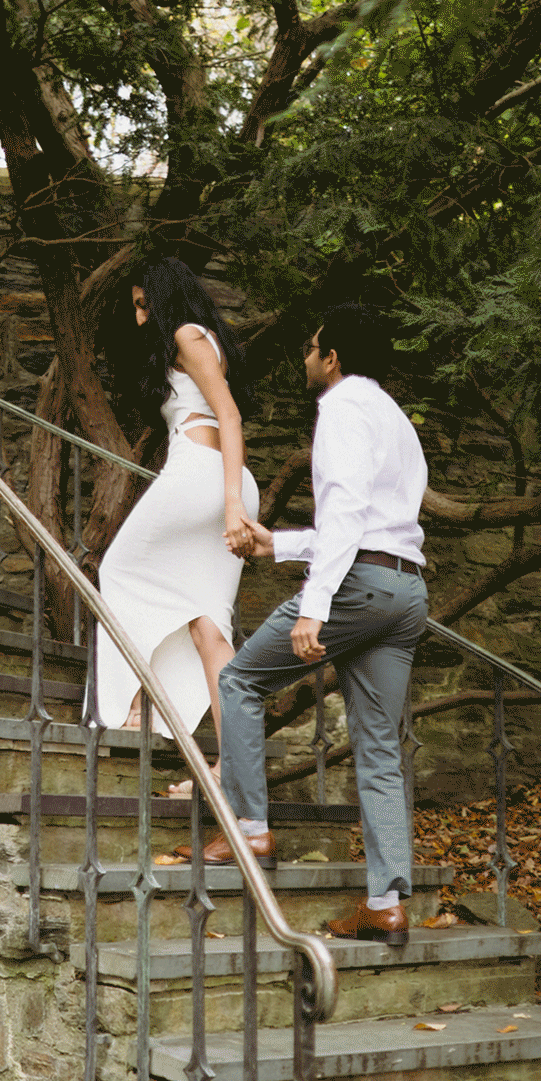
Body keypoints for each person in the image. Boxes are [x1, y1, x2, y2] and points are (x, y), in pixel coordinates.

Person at [201, 304, 429, 947]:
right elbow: (370, 524)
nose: (305, 358)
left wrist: (314, 605)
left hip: (359, 586)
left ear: (331, 359)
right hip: (407, 589)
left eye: (311, 346)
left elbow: (350, 513)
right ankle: (385, 903)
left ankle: (250, 828)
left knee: (240, 679)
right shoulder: (395, 420)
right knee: (380, 749)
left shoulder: (341, 407)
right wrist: (277, 546)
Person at [96, 259, 259, 795]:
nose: (141, 319)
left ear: (166, 298)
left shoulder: (188, 335)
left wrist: (232, 504)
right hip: (217, 480)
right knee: (209, 626)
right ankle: (232, 768)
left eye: (146, 305)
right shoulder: (202, 338)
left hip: (202, 477)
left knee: (118, 570)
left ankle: (136, 704)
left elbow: (229, 416)